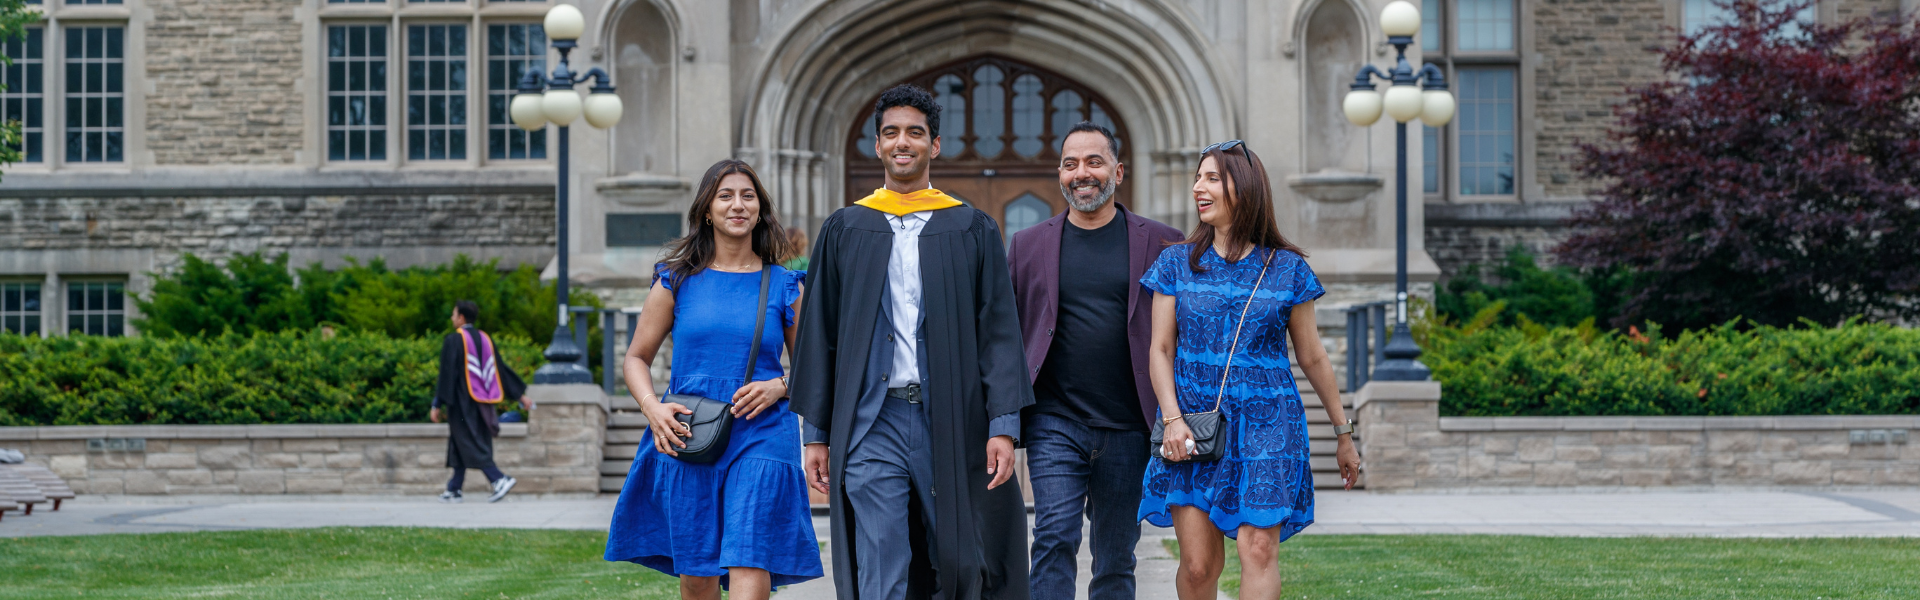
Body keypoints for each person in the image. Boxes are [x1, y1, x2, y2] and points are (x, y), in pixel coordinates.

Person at [789, 84, 1033, 600]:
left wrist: (1003, 426)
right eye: (891, 133)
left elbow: (999, 333)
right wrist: (815, 433)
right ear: (876, 146)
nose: (903, 142)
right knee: (882, 560)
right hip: (870, 422)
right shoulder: (845, 228)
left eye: (915, 133)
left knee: (961, 559)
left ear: (934, 146)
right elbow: (820, 334)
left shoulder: (971, 227)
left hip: (953, 419)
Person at [1138, 141, 1360, 600]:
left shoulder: (1288, 270)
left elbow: (1313, 355)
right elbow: (1159, 349)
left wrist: (1343, 432)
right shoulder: (1176, 263)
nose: (1199, 187)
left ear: (1246, 187)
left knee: (1258, 549)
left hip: (1268, 426)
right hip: (1193, 425)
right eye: (1198, 178)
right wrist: (1173, 418)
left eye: (1212, 178)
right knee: (1199, 568)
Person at [603, 159, 823, 600]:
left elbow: (814, 368)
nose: (737, 205)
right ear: (707, 209)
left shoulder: (784, 284)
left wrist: (779, 385)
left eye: (748, 196)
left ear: (760, 209)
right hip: (688, 430)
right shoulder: (676, 280)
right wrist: (653, 409)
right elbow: (635, 358)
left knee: (750, 555)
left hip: (762, 432)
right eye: (726, 196)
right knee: (698, 574)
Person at [1007, 122, 1183, 600]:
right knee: (1053, 538)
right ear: (1060, 175)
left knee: (1116, 556)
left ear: (1118, 171)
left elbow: (1185, 332)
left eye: (1093, 161)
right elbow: (1006, 335)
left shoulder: (1165, 243)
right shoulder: (1026, 245)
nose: (1081, 173)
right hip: (1054, 421)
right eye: (1070, 164)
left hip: (1129, 424)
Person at [430, 300, 530, 504]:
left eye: (453, 314)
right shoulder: (485, 339)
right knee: (460, 442)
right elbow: (500, 370)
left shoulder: (453, 340)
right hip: (484, 403)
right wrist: (519, 395)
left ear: (461, 318)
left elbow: (446, 375)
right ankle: (454, 489)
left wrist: (437, 403)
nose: (452, 318)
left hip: (461, 404)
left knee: (469, 442)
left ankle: (499, 479)